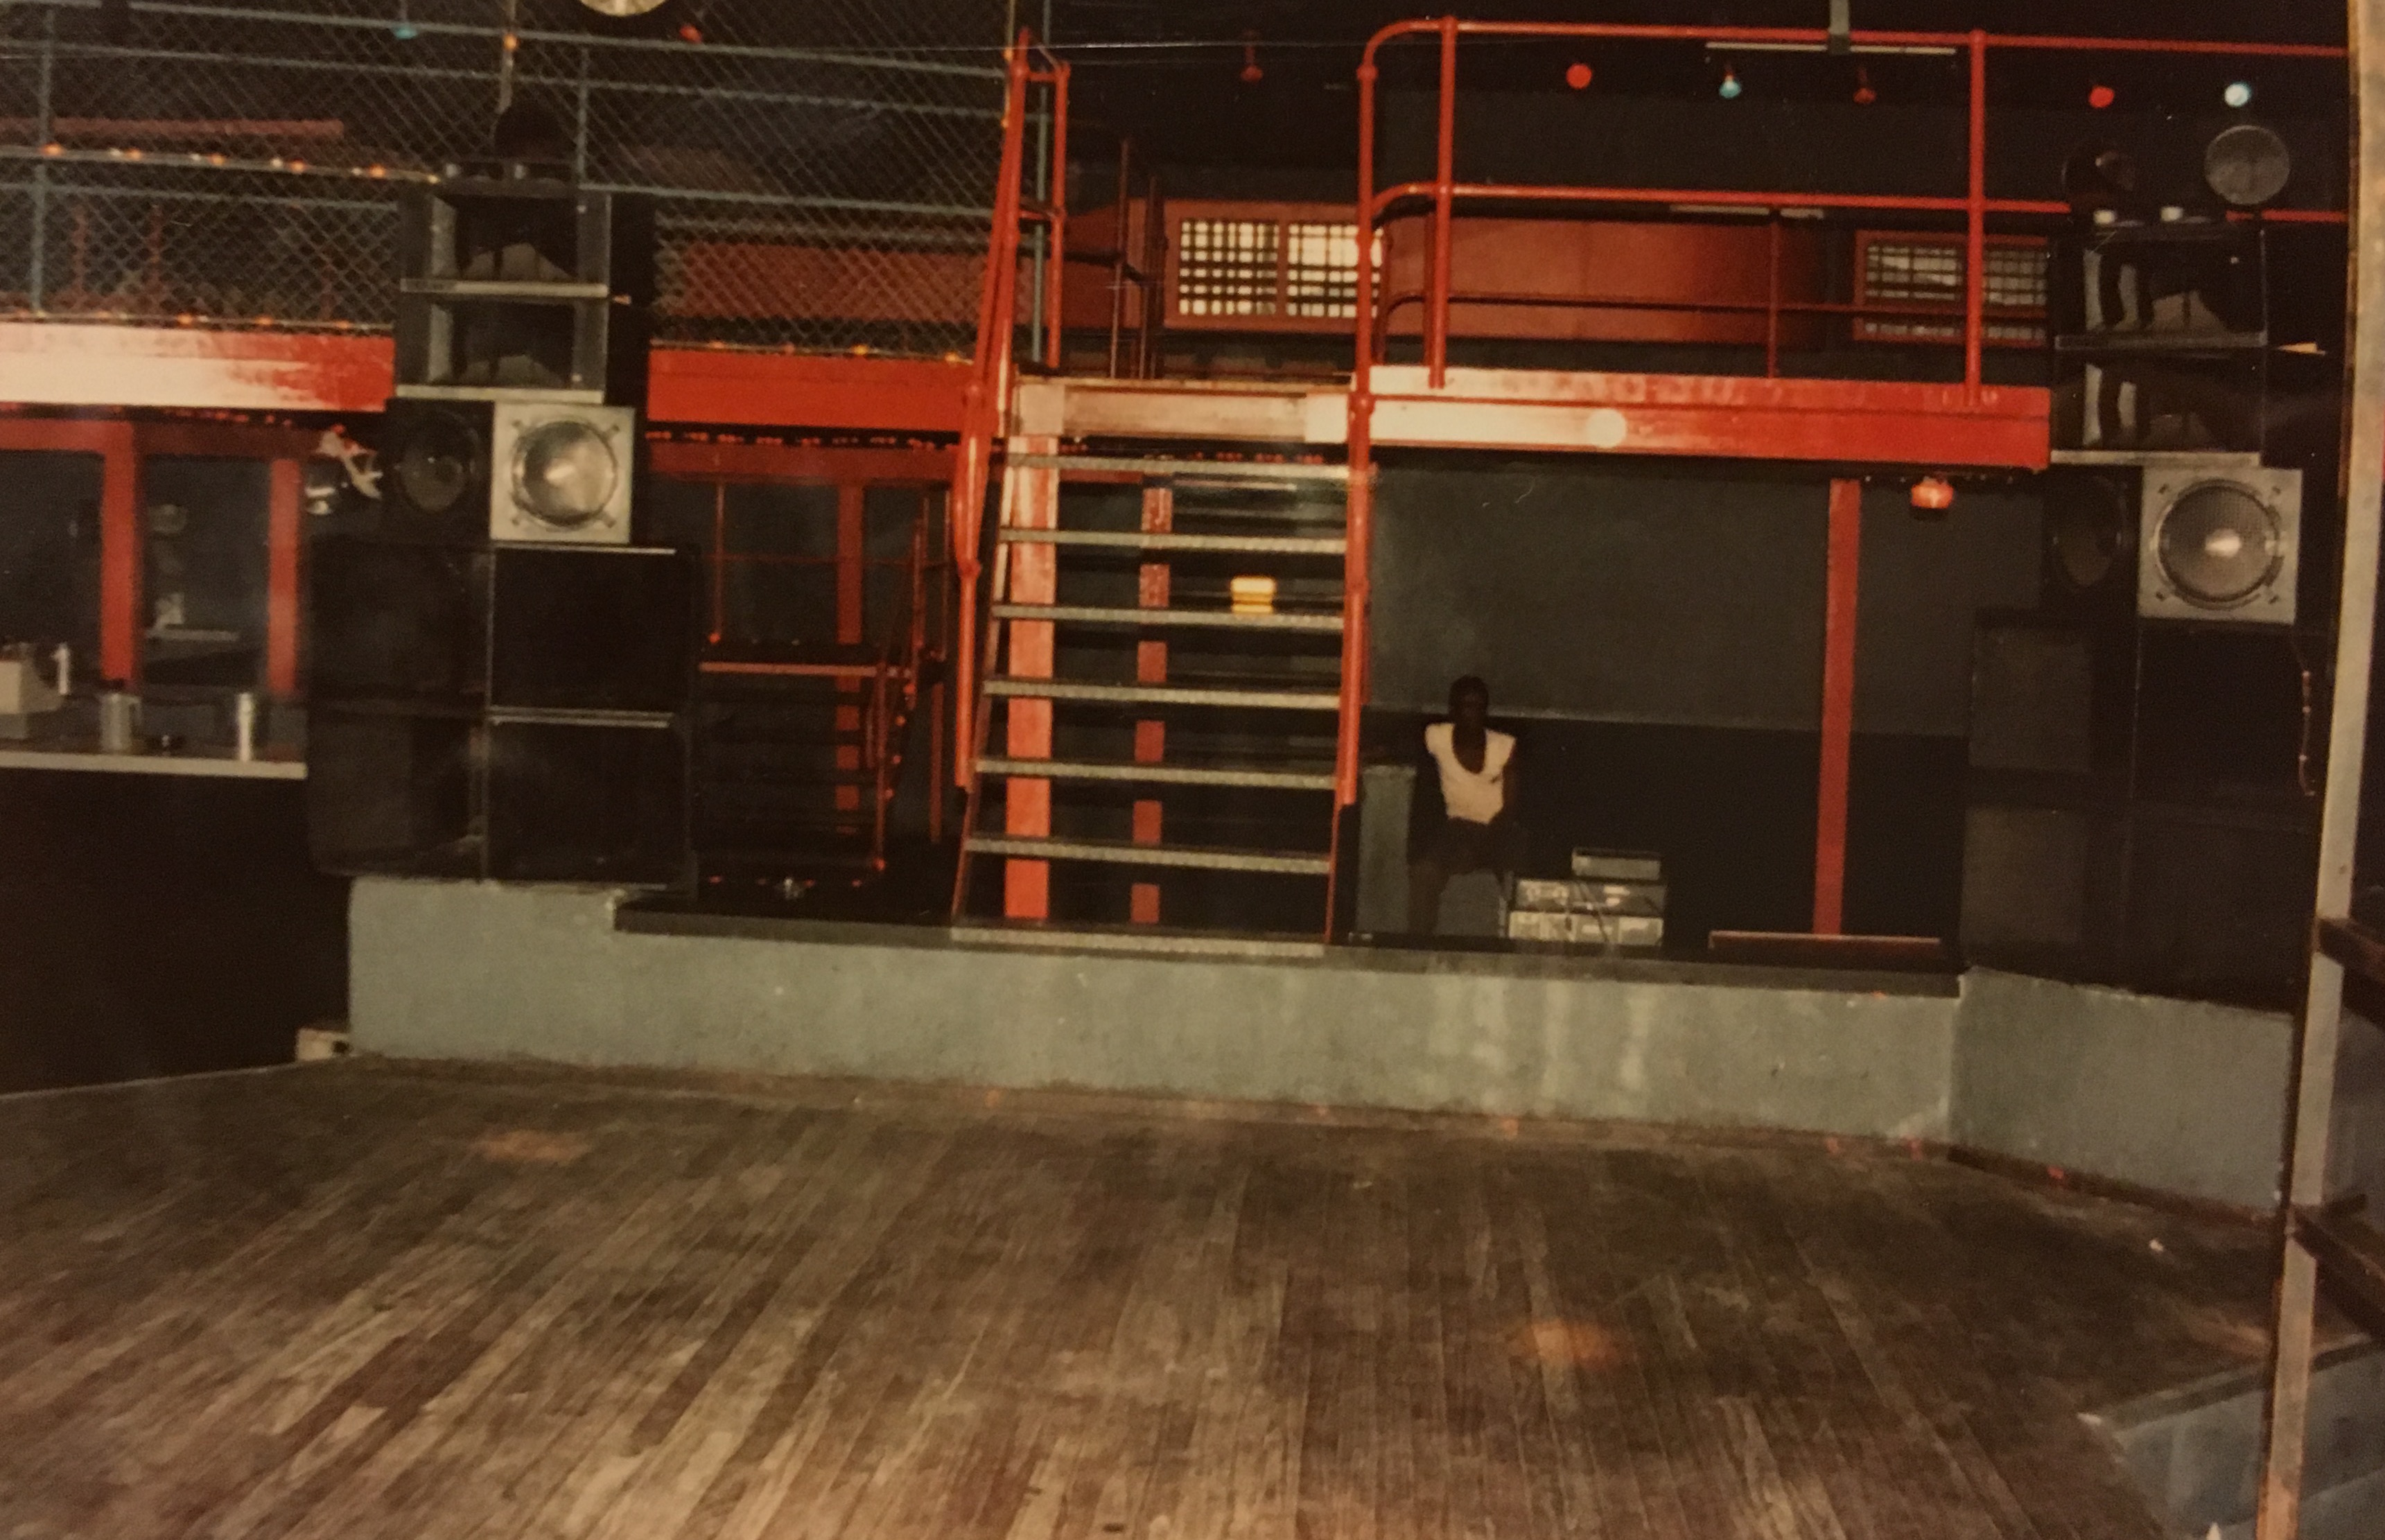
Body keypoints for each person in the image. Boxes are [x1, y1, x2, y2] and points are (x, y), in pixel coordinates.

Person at [1408, 675, 1521, 935]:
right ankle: (1418, 943)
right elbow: (1400, 745)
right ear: (1454, 710)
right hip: (1457, 829)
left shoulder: (1504, 746)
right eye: (1467, 706)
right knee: (1424, 872)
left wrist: (1480, 845)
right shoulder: (1437, 736)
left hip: (1498, 829)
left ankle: (1513, 943)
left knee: (1516, 873)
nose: (1473, 714)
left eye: (1479, 707)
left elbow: (1510, 808)